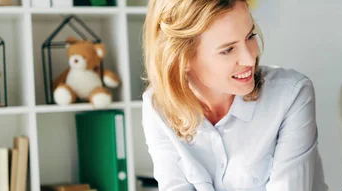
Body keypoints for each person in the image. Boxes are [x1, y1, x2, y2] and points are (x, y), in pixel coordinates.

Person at [140, 0, 327, 190]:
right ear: (181, 58)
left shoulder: (292, 95)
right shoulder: (158, 106)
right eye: (228, 50)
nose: (249, 58)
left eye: (250, 36)